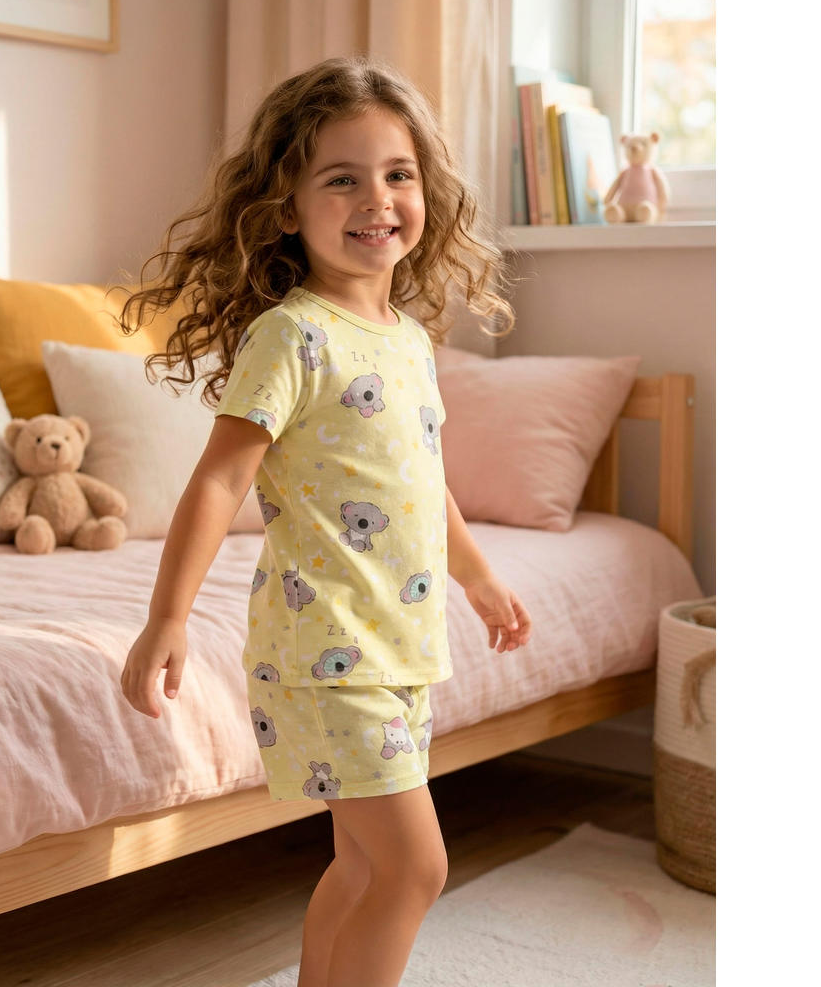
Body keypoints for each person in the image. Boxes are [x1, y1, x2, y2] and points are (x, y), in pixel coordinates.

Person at [118, 56, 533, 987]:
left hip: (402, 647)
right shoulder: (291, 334)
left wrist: (478, 578)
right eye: (341, 179)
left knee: (363, 866)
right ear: (285, 207)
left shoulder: (409, 340)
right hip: (325, 652)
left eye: (398, 174)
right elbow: (219, 480)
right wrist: (167, 618)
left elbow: (421, 482)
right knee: (415, 868)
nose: (376, 198)